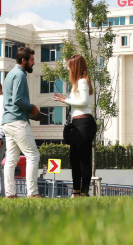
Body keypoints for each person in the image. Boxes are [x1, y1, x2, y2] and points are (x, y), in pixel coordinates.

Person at [2, 47, 43, 199]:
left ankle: (10, 194)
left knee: (11, 159)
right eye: (32, 60)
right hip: (17, 121)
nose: (33, 63)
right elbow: (18, 100)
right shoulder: (20, 75)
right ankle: (32, 193)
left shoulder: (10, 75)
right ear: (24, 60)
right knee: (33, 155)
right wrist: (32, 107)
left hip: (7, 122)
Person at [54, 54, 96, 197]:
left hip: (84, 123)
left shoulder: (82, 82)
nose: (67, 69)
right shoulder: (76, 83)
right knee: (74, 158)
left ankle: (83, 192)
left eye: (69, 66)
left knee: (84, 159)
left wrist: (66, 100)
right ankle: (76, 192)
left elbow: (84, 102)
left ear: (75, 67)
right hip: (78, 123)